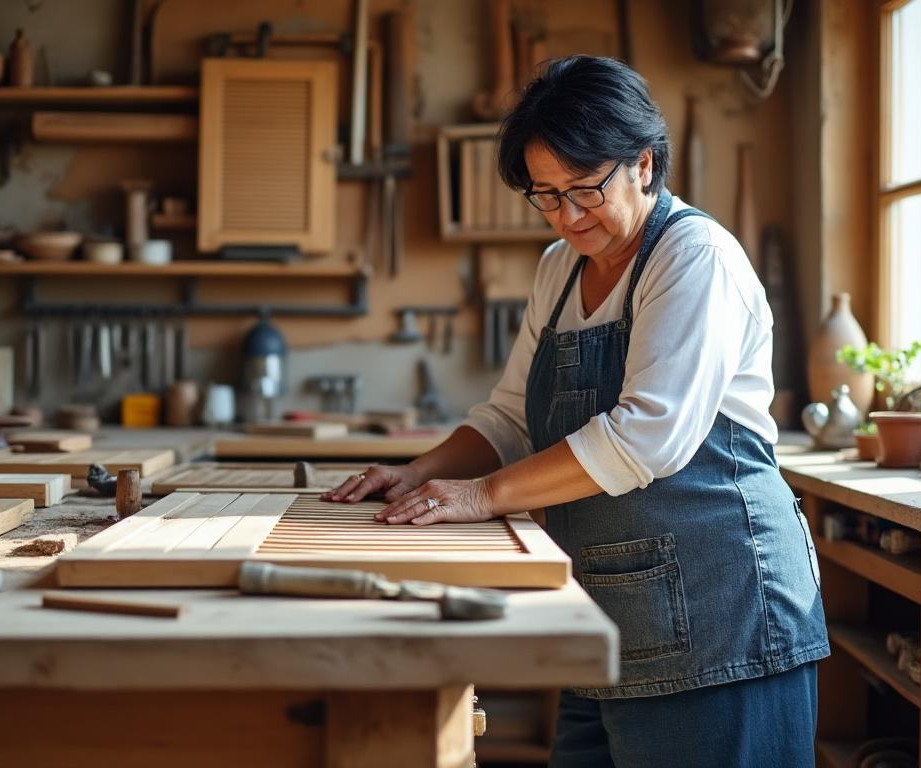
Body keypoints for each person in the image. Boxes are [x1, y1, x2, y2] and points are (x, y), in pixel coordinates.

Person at [325, 55, 827, 768]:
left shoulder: (695, 259)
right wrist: (420, 475)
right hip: (609, 610)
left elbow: (644, 439)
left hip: (722, 614)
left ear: (644, 166)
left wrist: (482, 496)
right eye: (546, 195)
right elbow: (509, 418)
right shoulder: (560, 269)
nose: (565, 216)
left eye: (585, 190)